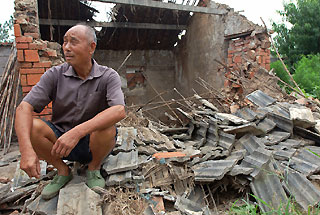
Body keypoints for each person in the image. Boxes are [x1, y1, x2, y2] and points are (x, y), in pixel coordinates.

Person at [14, 24, 126, 200]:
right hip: (60, 143)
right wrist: (26, 150)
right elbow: (24, 108)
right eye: (64, 42)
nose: (66, 48)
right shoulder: (55, 74)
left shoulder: (108, 76)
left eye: (73, 42)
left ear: (91, 48)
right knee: (33, 126)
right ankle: (63, 170)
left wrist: (77, 132)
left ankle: (94, 168)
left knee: (107, 126)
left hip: (94, 143)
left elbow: (119, 110)